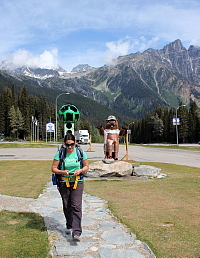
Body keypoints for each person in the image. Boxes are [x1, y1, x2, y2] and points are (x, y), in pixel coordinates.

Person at [51, 133, 89, 241]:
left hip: (78, 181)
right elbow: (53, 168)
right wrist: (62, 171)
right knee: (67, 205)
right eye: (68, 145)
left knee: (76, 205)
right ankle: (69, 224)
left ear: (75, 143)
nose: (70, 147)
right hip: (64, 181)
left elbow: (86, 166)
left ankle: (77, 232)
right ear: (64, 144)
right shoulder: (60, 153)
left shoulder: (80, 152)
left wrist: (81, 170)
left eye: (72, 144)